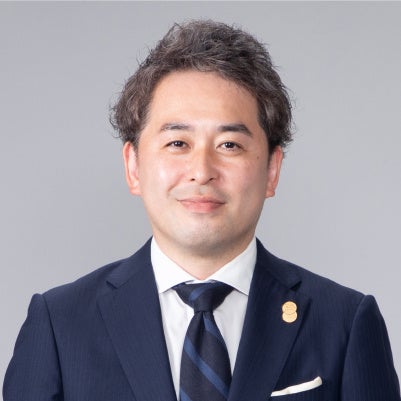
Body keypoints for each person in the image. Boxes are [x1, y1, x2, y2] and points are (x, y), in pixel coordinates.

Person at [3, 20, 400, 401]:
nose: (202, 171)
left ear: (272, 170)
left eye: (230, 145)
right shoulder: (60, 326)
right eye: (178, 143)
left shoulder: (345, 323)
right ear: (133, 166)